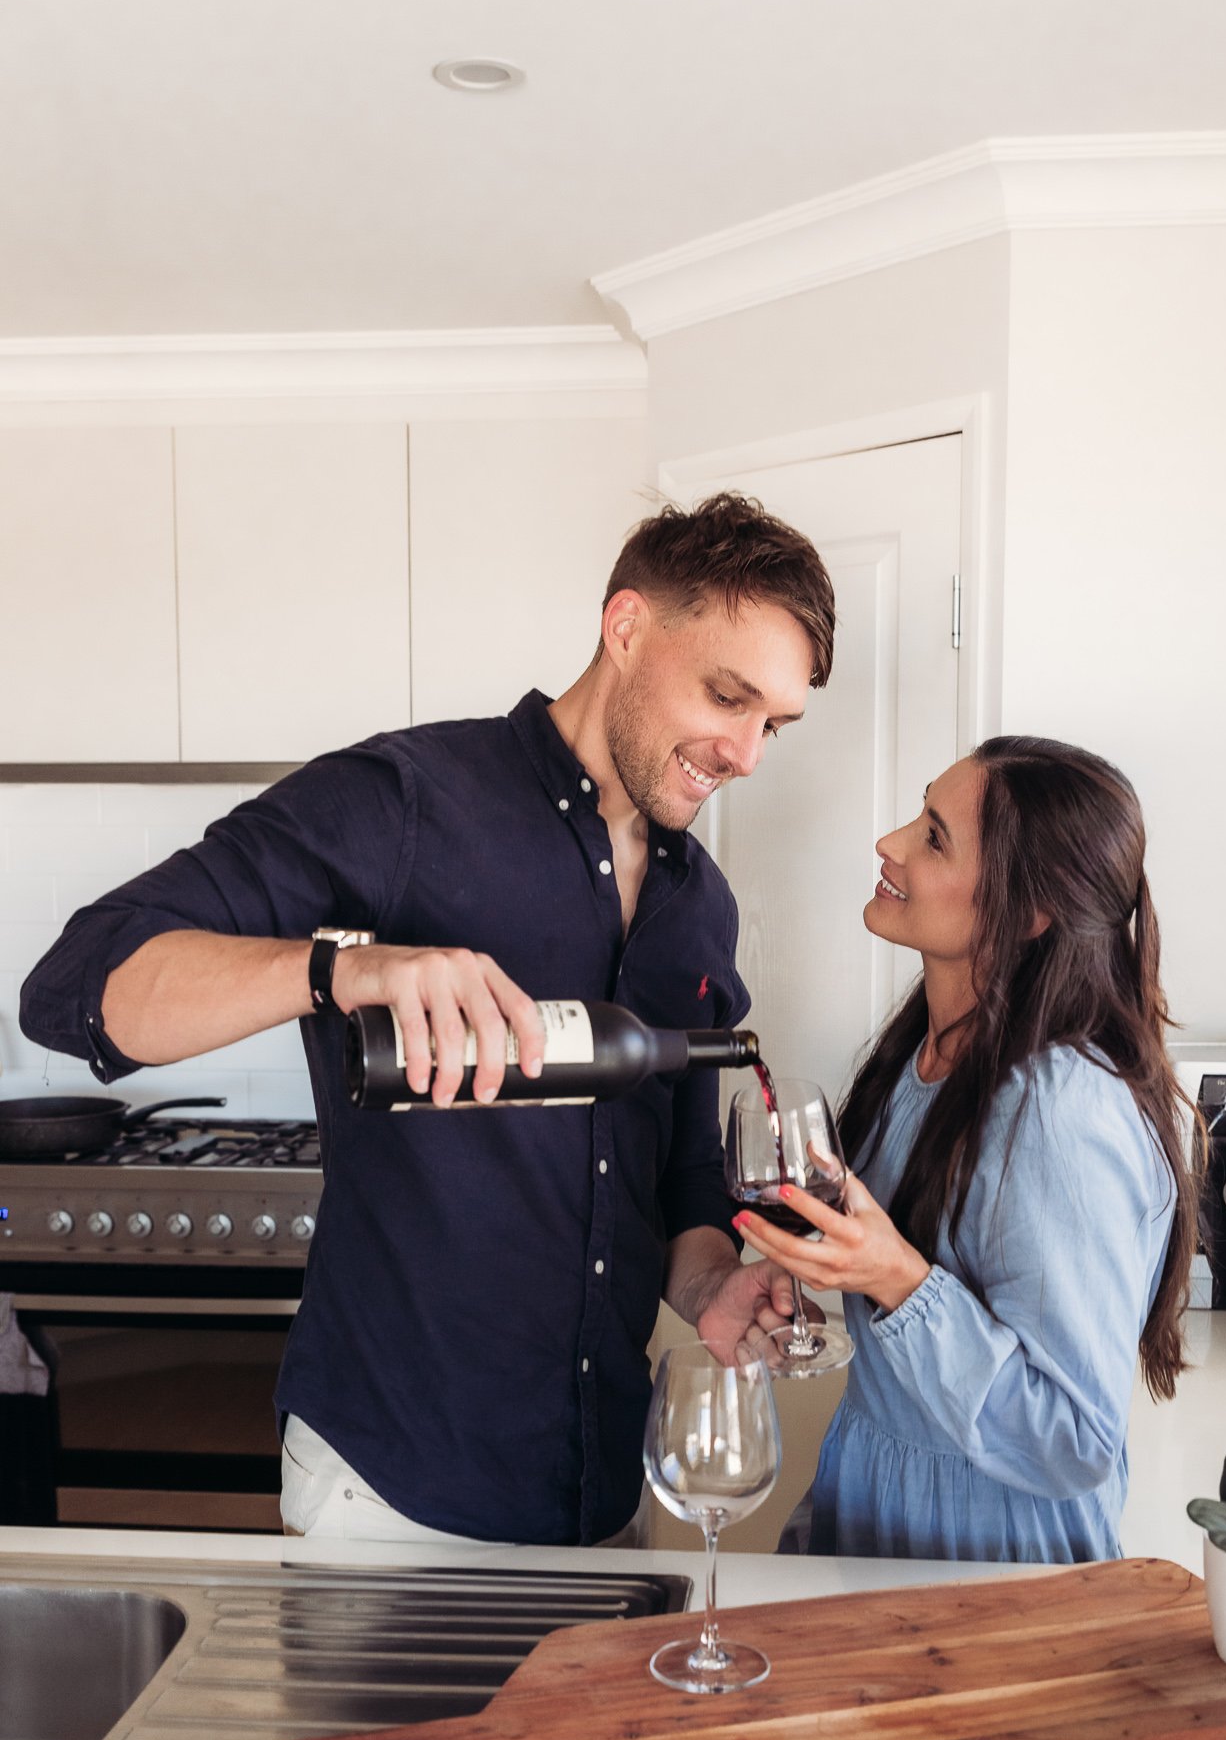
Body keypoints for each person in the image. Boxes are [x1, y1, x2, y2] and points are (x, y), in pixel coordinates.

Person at [20, 493, 836, 1547]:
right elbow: (78, 984)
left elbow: (674, 1180)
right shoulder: (404, 801)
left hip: (601, 1492)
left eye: (773, 722)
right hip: (391, 1489)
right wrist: (339, 968)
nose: (746, 752)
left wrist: (715, 1280)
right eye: (729, 697)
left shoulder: (700, 903)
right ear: (627, 627)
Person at [733, 736, 1200, 1565]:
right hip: (875, 1521)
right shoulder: (926, 1050)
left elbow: (1073, 1441)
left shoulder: (1059, 1110)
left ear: (1027, 913)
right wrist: (821, 1273)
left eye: (934, 836)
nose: (891, 843)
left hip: (991, 1564)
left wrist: (896, 1280)